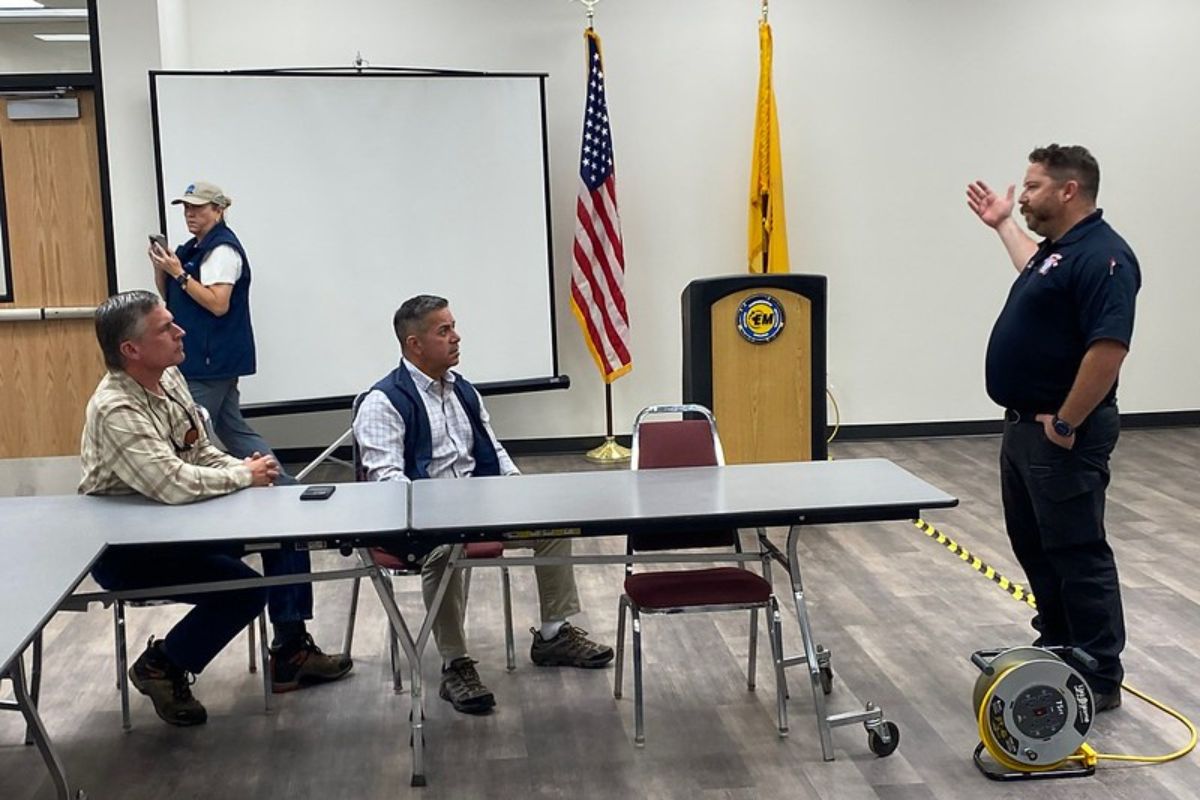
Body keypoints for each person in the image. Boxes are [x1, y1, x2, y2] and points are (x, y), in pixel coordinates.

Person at [79, 290, 351, 727]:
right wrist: (244, 476)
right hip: (133, 549)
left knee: (284, 521)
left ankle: (291, 651)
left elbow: (199, 450)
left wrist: (251, 471)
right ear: (131, 350)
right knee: (243, 590)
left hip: (186, 524)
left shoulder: (169, 378)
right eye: (166, 328)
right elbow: (172, 482)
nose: (181, 330)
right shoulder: (115, 407)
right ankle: (161, 665)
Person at [353, 294, 613, 715]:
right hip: (423, 522)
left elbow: (494, 451)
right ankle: (455, 664)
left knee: (553, 526)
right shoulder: (383, 402)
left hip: (483, 509)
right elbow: (390, 486)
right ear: (414, 344)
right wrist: (440, 516)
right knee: (444, 551)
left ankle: (552, 635)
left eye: (453, 326)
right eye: (444, 330)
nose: (457, 337)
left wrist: (517, 490)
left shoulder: (465, 392)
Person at [966, 144, 1140, 711]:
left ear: (1069, 191)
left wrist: (1067, 421)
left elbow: (1108, 349)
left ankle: (1097, 667)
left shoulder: (1105, 257)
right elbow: (1032, 268)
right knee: (1036, 545)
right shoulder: (1059, 253)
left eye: (1033, 187)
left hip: (1061, 434)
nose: (1025, 196)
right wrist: (1001, 226)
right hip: (1025, 430)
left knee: (1076, 548)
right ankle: (1060, 644)